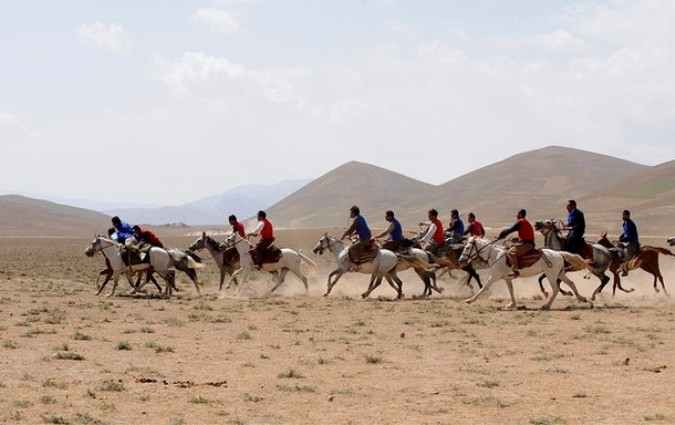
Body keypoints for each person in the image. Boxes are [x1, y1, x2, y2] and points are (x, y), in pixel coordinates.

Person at [498, 209, 536, 278]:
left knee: (510, 252)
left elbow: (510, 230)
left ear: (520, 214)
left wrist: (501, 235)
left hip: (527, 244)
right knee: (511, 246)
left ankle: (515, 270)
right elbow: (525, 235)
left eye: (517, 214)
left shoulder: (520, 221)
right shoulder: (525, 222)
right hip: (527, 242)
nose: (516, 216)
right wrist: (517, 239)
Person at [618, 209, 640, 276]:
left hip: (632, 242)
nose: (622, 217)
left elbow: (629, 236)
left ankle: (625, 270)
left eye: (624, 215)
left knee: (626, 253)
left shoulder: (630, 224)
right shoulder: (625, 223)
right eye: (622, 215)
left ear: (627, 216)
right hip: (627, 241)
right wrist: (620, 237)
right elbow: (625, 233)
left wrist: (621, 240)